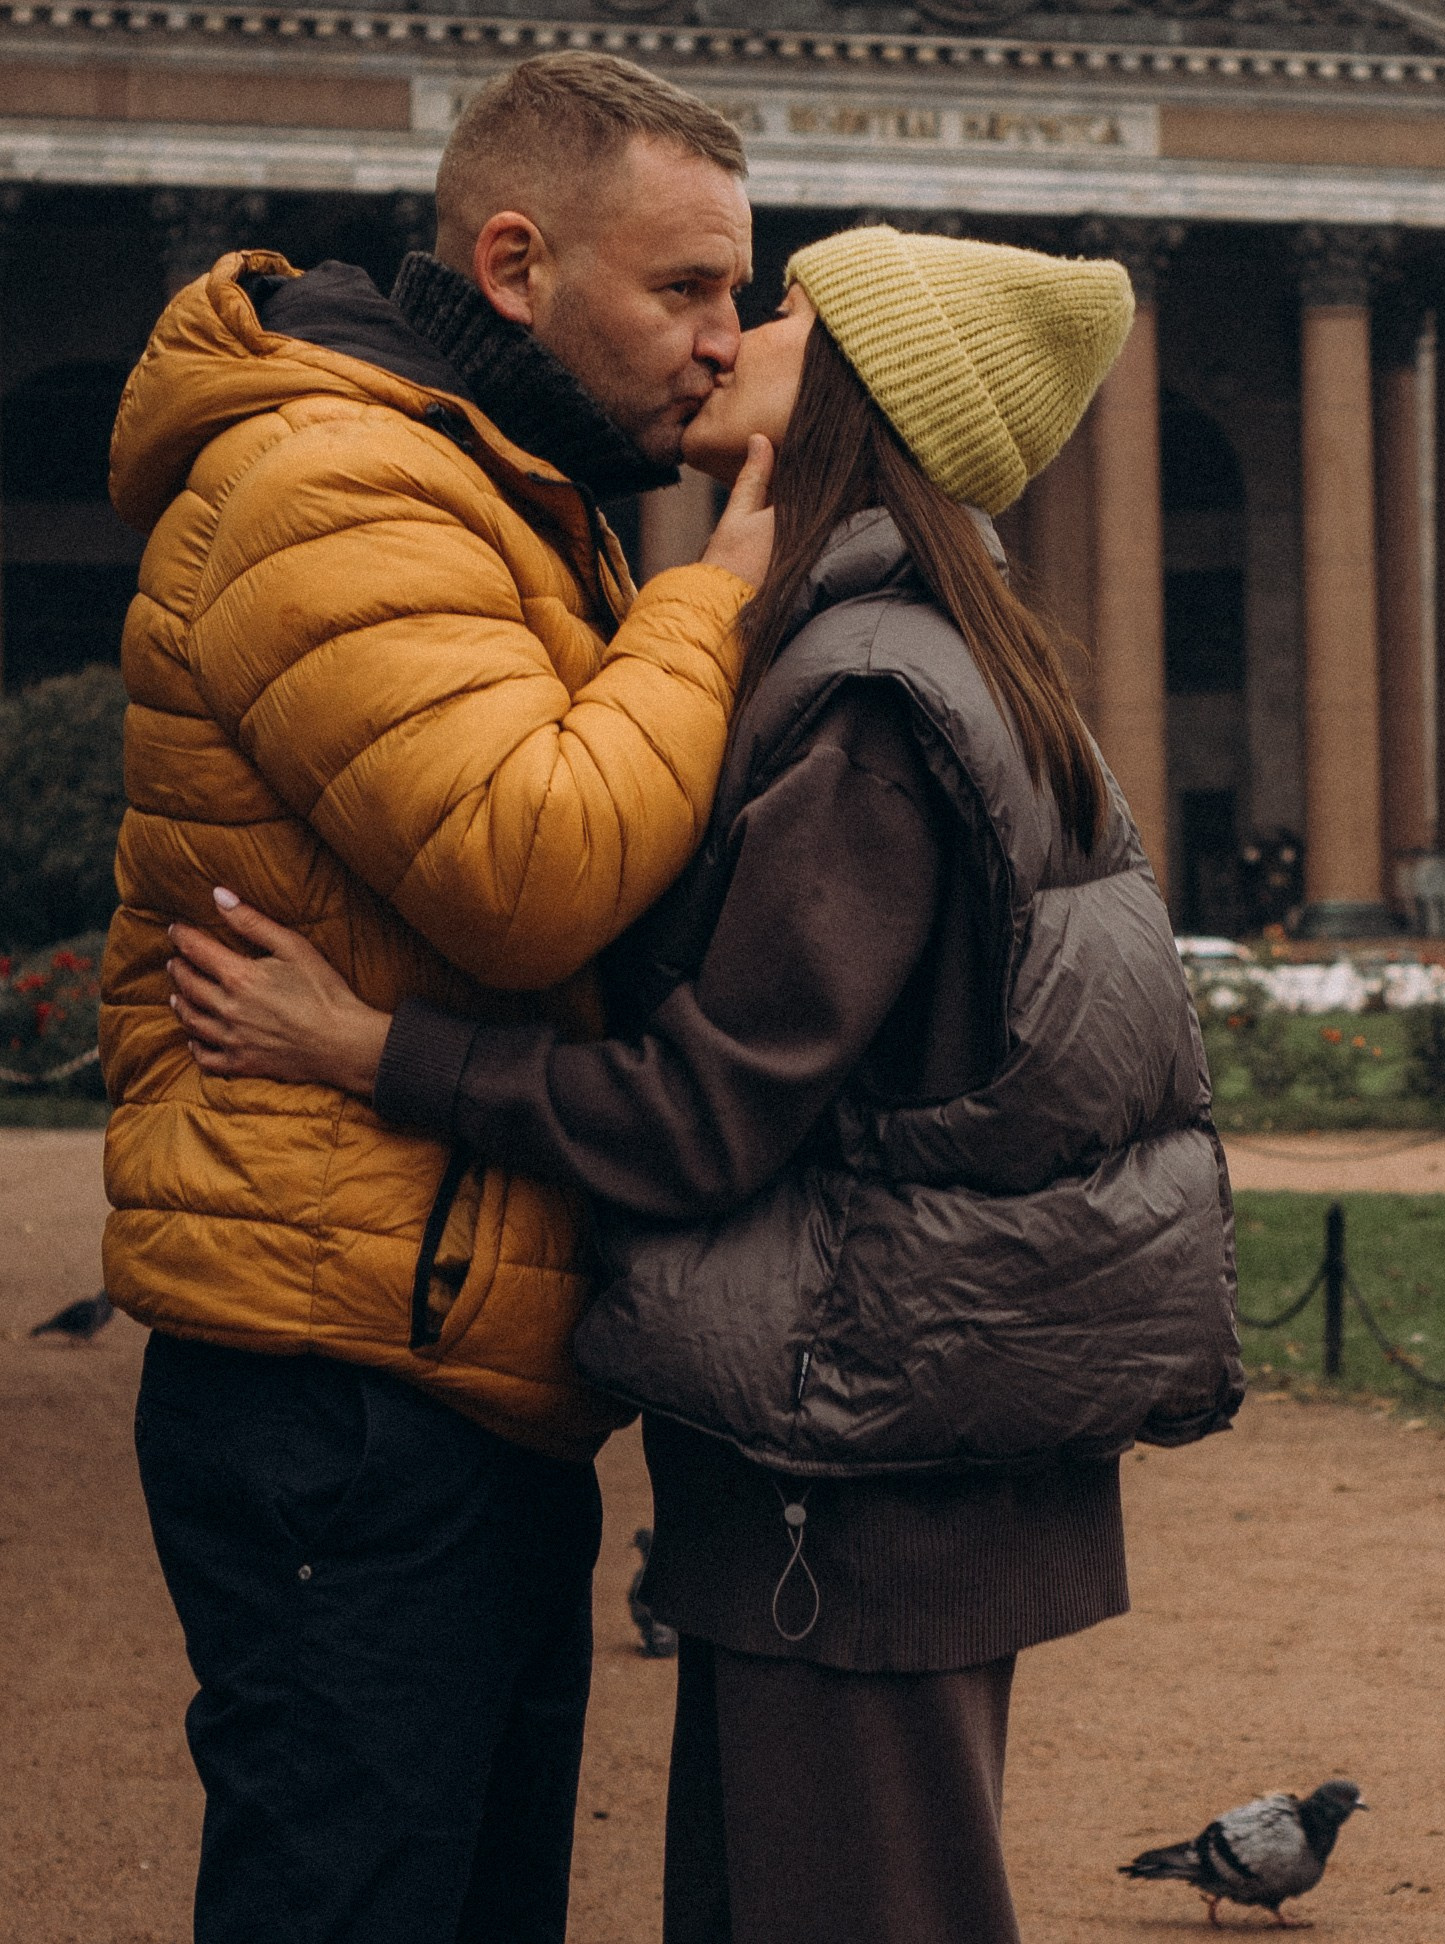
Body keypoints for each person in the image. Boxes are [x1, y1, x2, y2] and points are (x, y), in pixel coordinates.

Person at [168, 225, 1245, 1944]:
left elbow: (699, 1112)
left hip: (851, 1479)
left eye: (791, 313)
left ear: (860, 393)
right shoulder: (922, 657)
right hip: (882, 1458)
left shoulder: (869, 702)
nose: (737, 330)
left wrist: (376, 1049)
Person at [105, 49, 777, 1944]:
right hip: (345, 1366)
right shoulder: (339, 480)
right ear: (512, 265)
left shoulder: (480, 481)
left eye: (738, 290)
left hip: (430, 1334)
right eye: (687, 288)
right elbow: (531, 863)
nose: (726, 344)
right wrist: (723, 582)